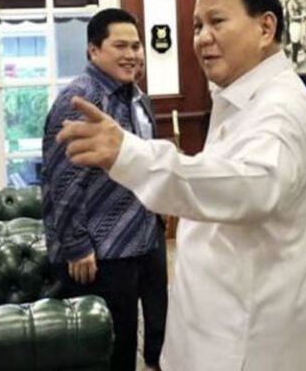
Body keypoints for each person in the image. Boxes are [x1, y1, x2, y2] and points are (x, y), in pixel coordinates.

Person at [55, 0, 306, 370]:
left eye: (217, 22)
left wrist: (131, 155)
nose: (202, 38)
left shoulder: (282, 107)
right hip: (217, 326)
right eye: (197, 26)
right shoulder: (239, 97)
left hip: (257, 341)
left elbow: (250, 186)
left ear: (265, 28)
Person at [41, 8, 162, 371]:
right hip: (100, 251)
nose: (132, 55)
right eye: (120, 46)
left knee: (144, 337)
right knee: (112, 350)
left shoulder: (134, 96)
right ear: (93, 50)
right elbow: (62, 179)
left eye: (136, 46)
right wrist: (76, 244)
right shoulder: (81, 99)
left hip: (143, 236)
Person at [133, 47, 167, 371]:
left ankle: (156, 357)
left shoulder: (144, 102)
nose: (137, 65)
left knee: (158, 292)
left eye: (142, 61)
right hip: (118, 226)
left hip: (151, 214)